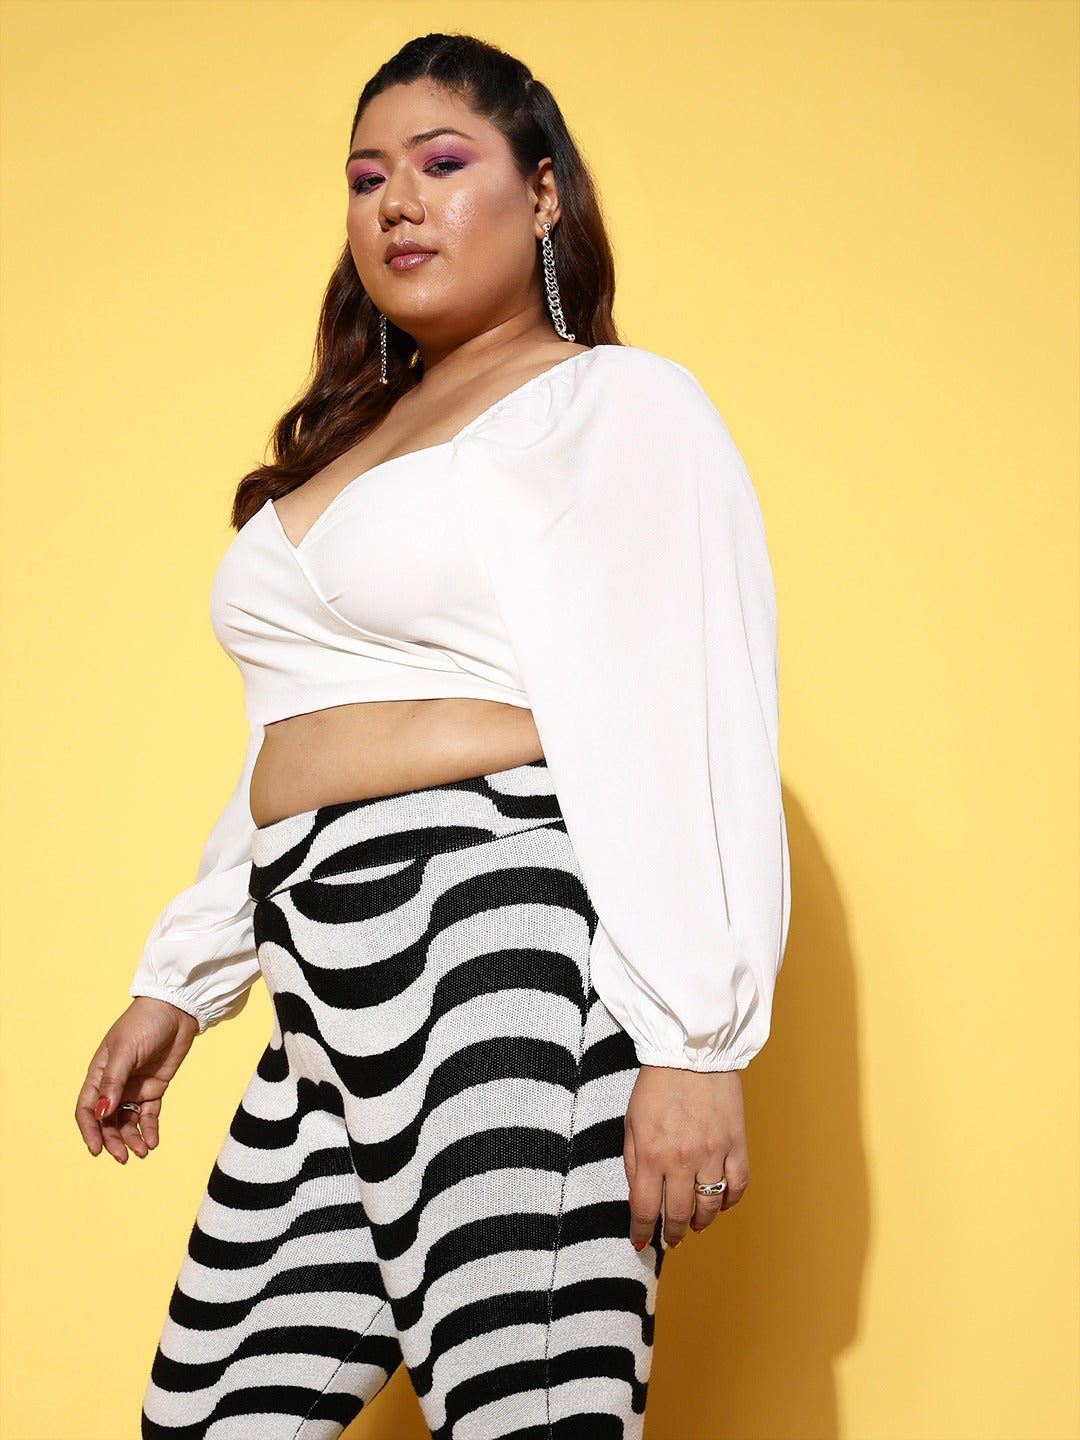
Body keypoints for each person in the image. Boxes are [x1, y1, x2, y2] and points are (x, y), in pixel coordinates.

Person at [74, 31, 791, 1440]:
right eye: (366, 178)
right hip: (314, 959)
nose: (397, 201)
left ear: (543, 194)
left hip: (496, 931)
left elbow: (686, 705)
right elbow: (291, 735)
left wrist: (694, 1042)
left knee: (528, 1409)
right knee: (209, 1418)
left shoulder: (612, 404)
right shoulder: (350, 440)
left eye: (442, 163)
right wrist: (185, 975)